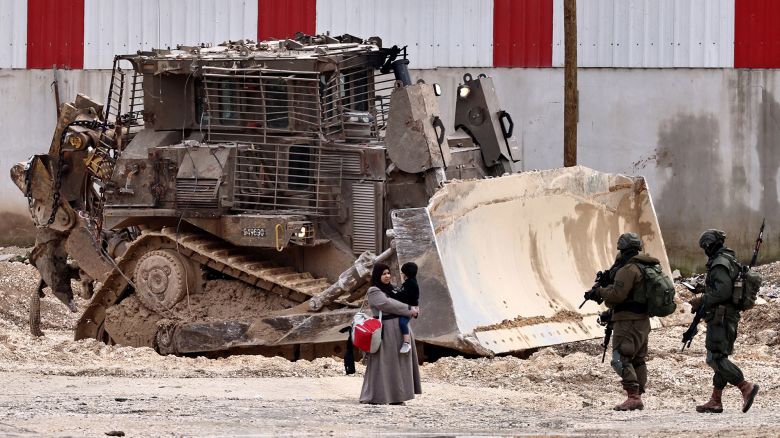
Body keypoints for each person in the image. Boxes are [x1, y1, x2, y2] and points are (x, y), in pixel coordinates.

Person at [584, 232, 657, 411]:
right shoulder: (647, 267)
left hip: (628, 321)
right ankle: (637, 395)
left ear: (622, 248)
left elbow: (618, 295)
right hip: (643, 320)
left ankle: (633, 396)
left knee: (620, 358)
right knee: (638, 359)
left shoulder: (628, 270)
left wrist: (599, 292)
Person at [690, 229, 759, 414]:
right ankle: (715, 401)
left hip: (721, 317)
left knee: (714, 358)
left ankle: (745, 387)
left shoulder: (719, 263)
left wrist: (702, 300)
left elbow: (723, 292)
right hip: (727, 315)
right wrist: (703, 288)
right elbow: (721, 286)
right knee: (721, 357)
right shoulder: (729, 259)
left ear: (709, 245)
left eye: (705, 246)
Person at [359, 263, 422, 405]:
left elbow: (405, 298)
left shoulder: (393, 289)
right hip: (385, 332)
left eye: (388, 273)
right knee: (384, 363)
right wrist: (409, 309)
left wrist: (414, 307)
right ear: (377, 276)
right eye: (383, 274)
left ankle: (397, 397)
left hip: (400, 331)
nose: (387, 276)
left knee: (399, 364)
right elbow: (387, 304)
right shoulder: (374, 291)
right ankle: (377, 396)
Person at [394, 262, 420, 354]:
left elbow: (406, 296)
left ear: (406, 274)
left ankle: (406, 342)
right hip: (410, 307)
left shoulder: (410, 284)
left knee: (402, 322)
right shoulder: (410, 282)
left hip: (410, 308)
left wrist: (396, 294)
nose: (402, 274)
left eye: (402, 273)